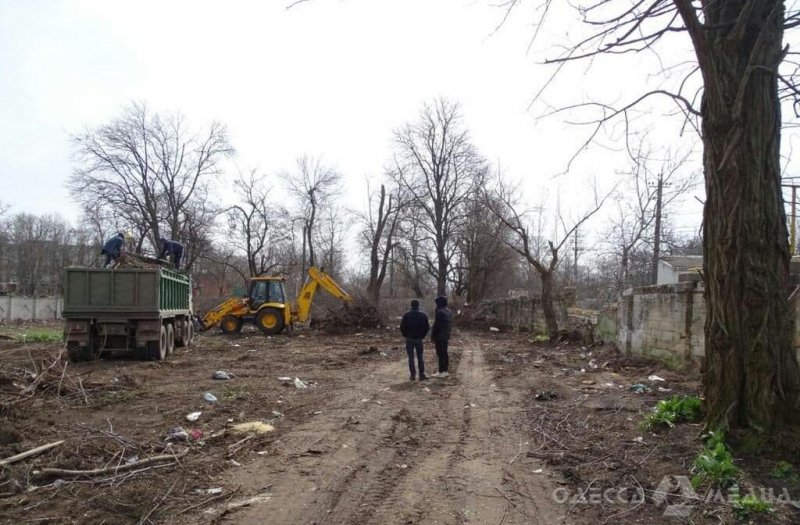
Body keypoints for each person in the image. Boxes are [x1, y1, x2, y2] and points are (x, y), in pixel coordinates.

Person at [399, 299, 430, 381]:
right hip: (419, 338)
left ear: (411, 305)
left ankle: (412, 375)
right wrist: (423, 335)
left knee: (411, 357)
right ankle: (421, 375)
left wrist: (405, 335)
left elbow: (402, 327)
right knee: (420, 357)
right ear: (418, 305)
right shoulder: (423, 315)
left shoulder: (406, 315)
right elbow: (427, 327)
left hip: (409, 338)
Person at [431, 295, 453, 378]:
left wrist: (433, 336)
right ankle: (445, 371)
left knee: (440, 353)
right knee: (444, 353)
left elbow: (436, 326)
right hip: (446, 335)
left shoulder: (440, 312)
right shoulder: (449, 311)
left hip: (439, 336)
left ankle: (441, 371)